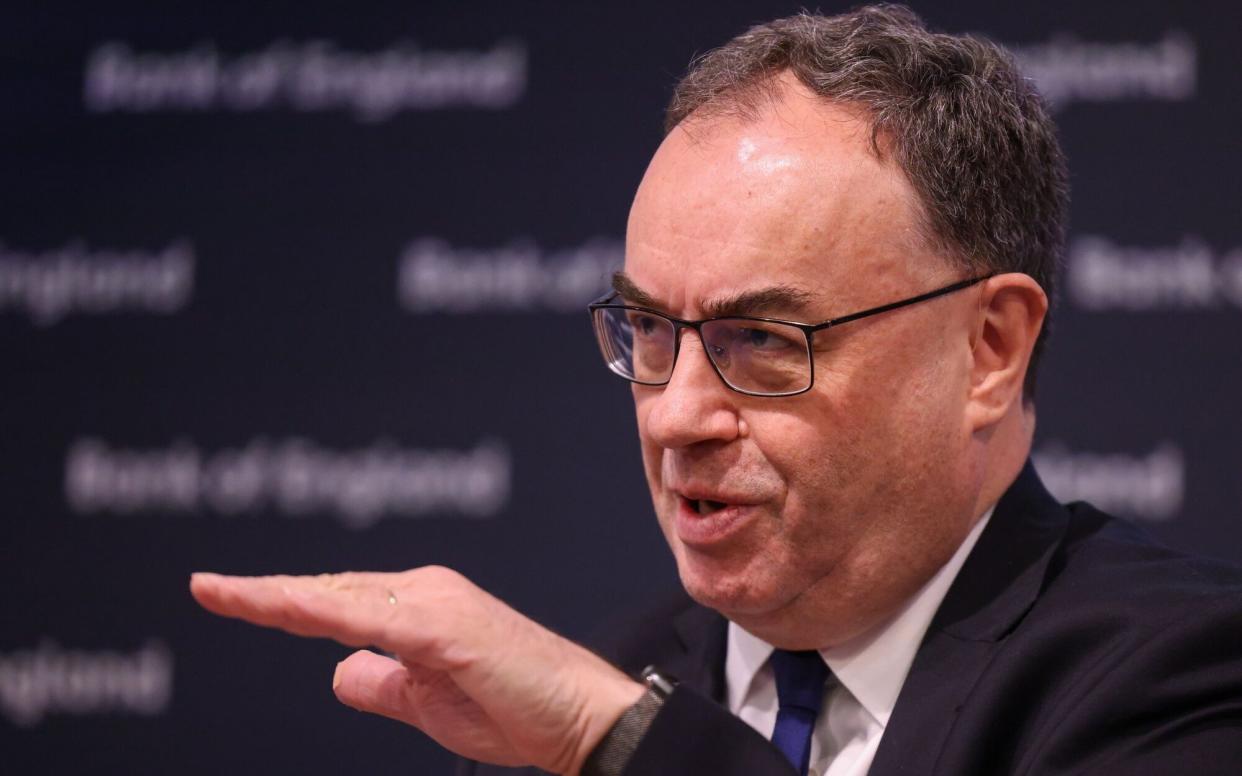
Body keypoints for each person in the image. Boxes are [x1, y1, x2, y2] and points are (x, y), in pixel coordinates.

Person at [190, 6, 1242, 775]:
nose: (677, 412)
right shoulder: (586, 694)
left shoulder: (1173, 678)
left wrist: (623, 743)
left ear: (989, 347)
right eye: (649, 329)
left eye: (763, 337)